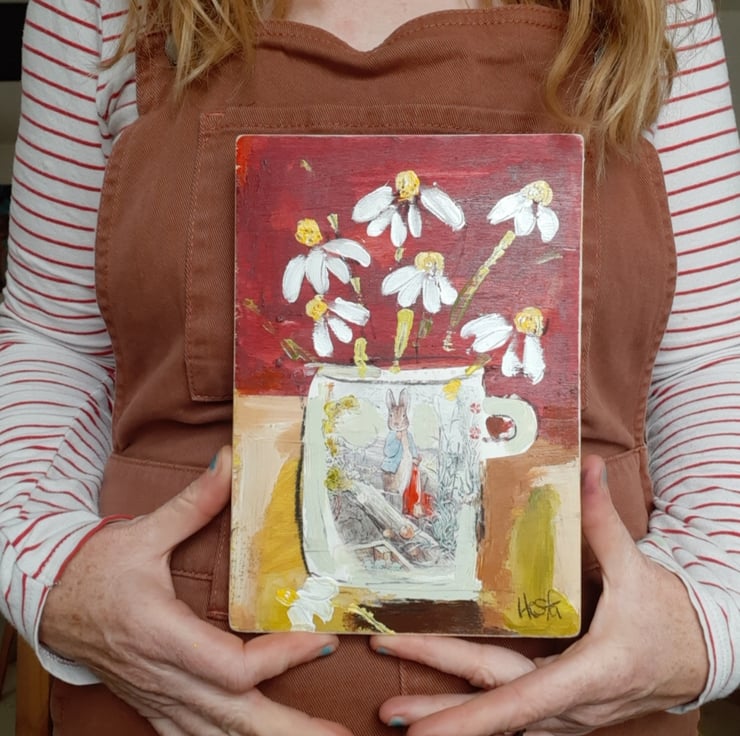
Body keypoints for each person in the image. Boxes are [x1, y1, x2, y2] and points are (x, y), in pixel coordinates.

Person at [0, 0, 738, 734]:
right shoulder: (100, 11)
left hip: (595, 692)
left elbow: (709, 362)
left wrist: (704, 624)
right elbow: (51, 343)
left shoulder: (662, 11)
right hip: (158, 703)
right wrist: (52, 573)